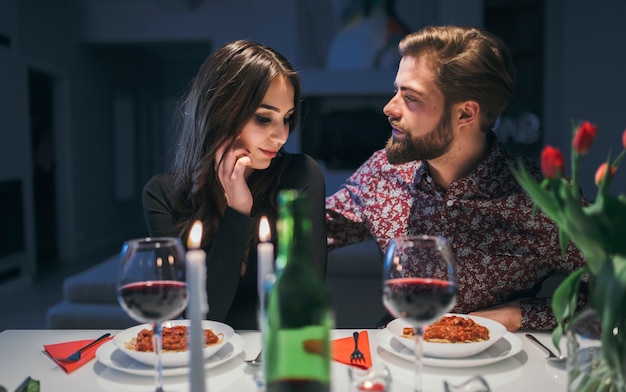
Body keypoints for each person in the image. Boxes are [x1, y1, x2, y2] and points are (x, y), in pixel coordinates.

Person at [325, 25, 587, 331]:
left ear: (465, 114)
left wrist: (516, 315)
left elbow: (613, 291)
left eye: (410, 97)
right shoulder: (383, 173)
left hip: (502, 364)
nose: (389, 108)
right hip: (403, 353)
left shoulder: (543, 199)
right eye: (396, 90)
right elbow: (312, 230)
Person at [143, 40, 327, 330]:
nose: (281, 136)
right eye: (264, 118)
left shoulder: (301, 176)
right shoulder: (164, 195)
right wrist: (238, 210)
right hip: (208, 359)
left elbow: (304, 304)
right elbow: (199, 320)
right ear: (223, 112)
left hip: (275, 352)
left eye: (287, 119)